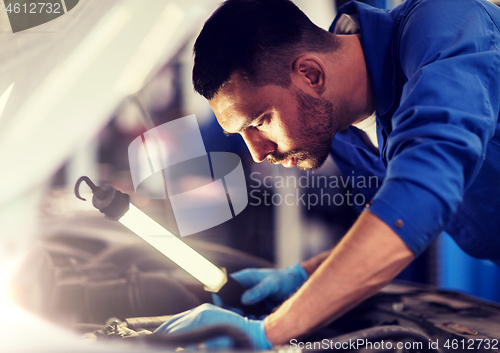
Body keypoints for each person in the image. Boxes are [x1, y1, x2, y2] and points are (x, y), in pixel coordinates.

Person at [155, 0, 500, 349]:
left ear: (310, 74)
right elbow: (387, 226)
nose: (258, 152)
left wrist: (269, 332)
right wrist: (304, 277)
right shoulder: (347, 129)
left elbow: (417, 202)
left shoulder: (447, 26)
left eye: (260, 122)